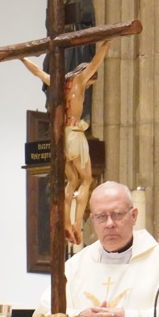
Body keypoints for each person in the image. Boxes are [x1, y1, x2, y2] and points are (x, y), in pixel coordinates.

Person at [34, 181, 159, 317]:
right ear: (93, 220)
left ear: (134, 215)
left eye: (117, 214)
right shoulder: (76, 266)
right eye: (101, 216)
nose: (109, 223)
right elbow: (45, 314)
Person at [21, 40, 111, 245]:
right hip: (74, 134)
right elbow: (95, 63)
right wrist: (107, 44)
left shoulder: (59, 82)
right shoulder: (79, 81)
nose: (89, 86)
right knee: (87, 180)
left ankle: (66, 223)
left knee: (71, 180)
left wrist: (22, 58)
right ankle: (77, 223)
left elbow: (37, 72)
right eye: (91, 83)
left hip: (61, 137)